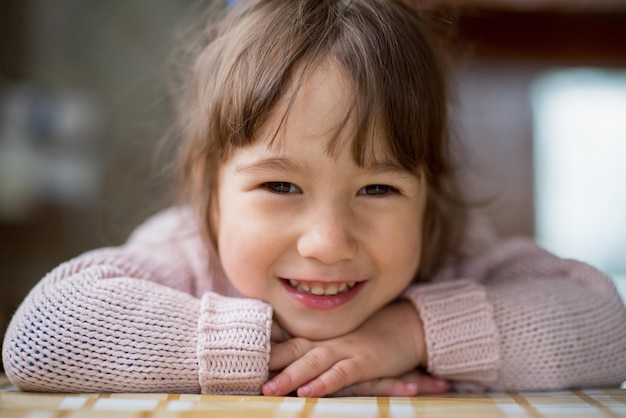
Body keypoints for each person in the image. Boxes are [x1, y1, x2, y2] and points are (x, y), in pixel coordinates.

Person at [3, 0, 626, 397]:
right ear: (209, 191)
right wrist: (272, 356)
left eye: (378, 188)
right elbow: (41, 336)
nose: (328, 242)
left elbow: (606, 327)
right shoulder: (185, 250)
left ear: (429, 199)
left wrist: (407, 332)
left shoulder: (450, 250)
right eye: (280, 186)